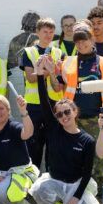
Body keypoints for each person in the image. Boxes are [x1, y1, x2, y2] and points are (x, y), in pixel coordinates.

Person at [28, 55, 103, 204]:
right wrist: (40, 75)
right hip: (55, 180)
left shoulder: (87, 140)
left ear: (75, 112)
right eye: (60, 114)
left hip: (75, 184)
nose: (63, 117)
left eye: (67, 112)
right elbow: (44, 101)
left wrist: (76, 198)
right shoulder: (54, 128)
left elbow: (86, 174)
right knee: (38, 190)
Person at [57, 19, 103, 196]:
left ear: (92, 40)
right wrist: (49, 73)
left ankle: (99, 196)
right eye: (78, 41)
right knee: (75, 159)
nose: (81, 44)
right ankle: (76, 195)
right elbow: (58, 87)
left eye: (85, 40)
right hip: (72, 121)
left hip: (96, 119)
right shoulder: (67, 62)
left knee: (99, 159)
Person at [20, 17, 65, 169]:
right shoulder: (28, 52)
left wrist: (51, 73)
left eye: (51, 32)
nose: (48, 35)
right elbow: (31, 78)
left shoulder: (60, 53)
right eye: (45, 31)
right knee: (34, 146)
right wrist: (47, 70)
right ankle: (32, 182)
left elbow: (58, 87)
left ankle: (51, 181)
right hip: (34, 106)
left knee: (54, 144)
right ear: (37, 32)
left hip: (54, 106)